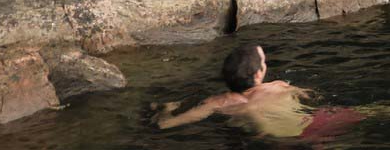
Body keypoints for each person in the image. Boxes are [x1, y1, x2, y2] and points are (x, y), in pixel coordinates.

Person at [152, 43, 363, 140]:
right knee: (369, 112)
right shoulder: (279, 86)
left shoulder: (217, 103)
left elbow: (164, 125)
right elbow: (310, 97)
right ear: (259, 74)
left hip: (277, 141)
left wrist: (167, 108)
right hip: (309, 128)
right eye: (264, 61)